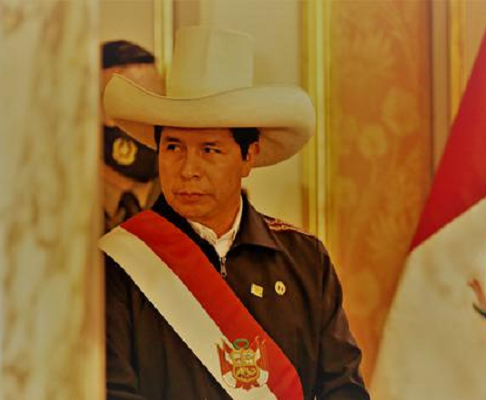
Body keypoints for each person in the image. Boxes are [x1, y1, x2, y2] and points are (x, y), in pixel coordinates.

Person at [100, 27, 369, 400]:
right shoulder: (118, 263)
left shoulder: (305, 259)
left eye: (209, 150)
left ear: (248, 156)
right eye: (174, 147)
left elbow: (343, 389)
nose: (188, 170)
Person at [100, 41, 164, 231]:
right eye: (123, 105)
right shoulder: (60, 208)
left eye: (156, 102)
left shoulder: (189, 204)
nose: (145, 119)